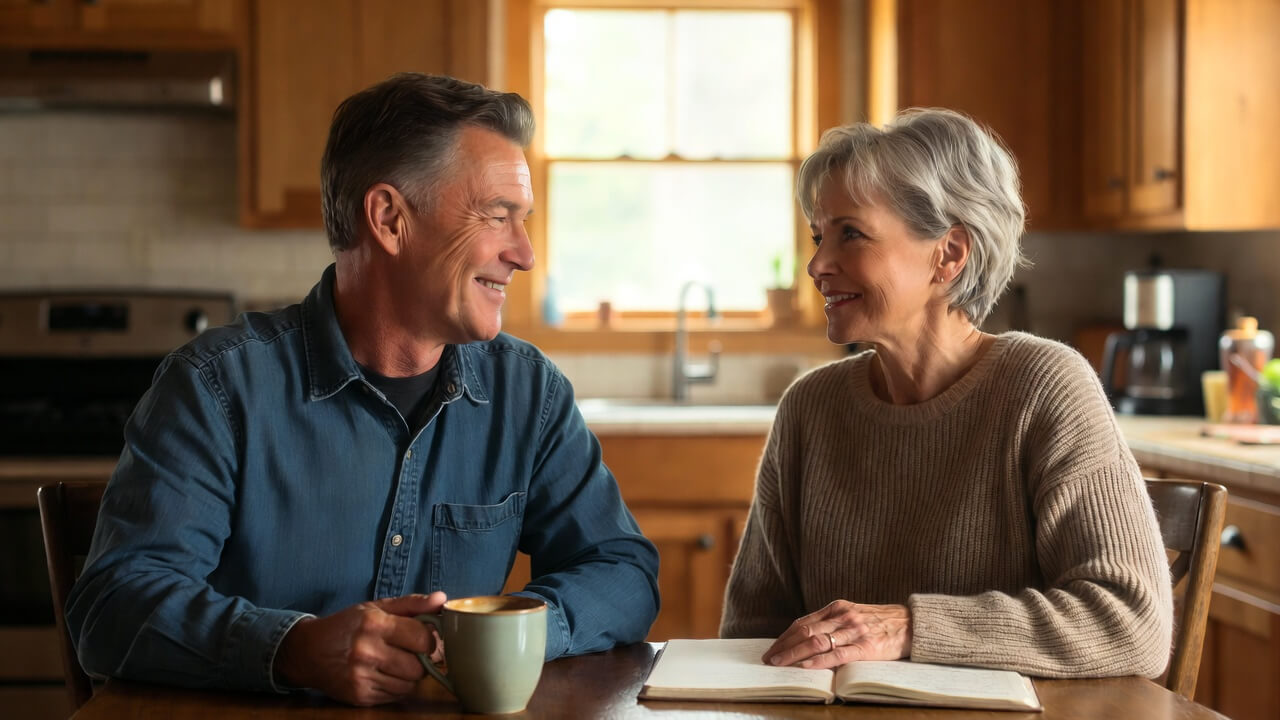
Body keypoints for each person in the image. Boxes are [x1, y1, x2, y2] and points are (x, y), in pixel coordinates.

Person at [66, 73, 660, 706]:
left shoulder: (529, 395)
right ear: (389, 218)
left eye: (524, 221)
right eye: (496, 216)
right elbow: (112, 608)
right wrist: (291, 648)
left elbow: (623, 571)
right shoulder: (217, 388)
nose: (525, 253)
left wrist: (503, 629)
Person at [720, 108, 1173, 679]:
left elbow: (1131, 624)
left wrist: (909, 628)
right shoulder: (810, 407)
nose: (817, 265)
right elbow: (752, 634)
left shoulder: (1045, 387)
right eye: (819, 237)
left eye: (850, 234)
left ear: (949, 254)